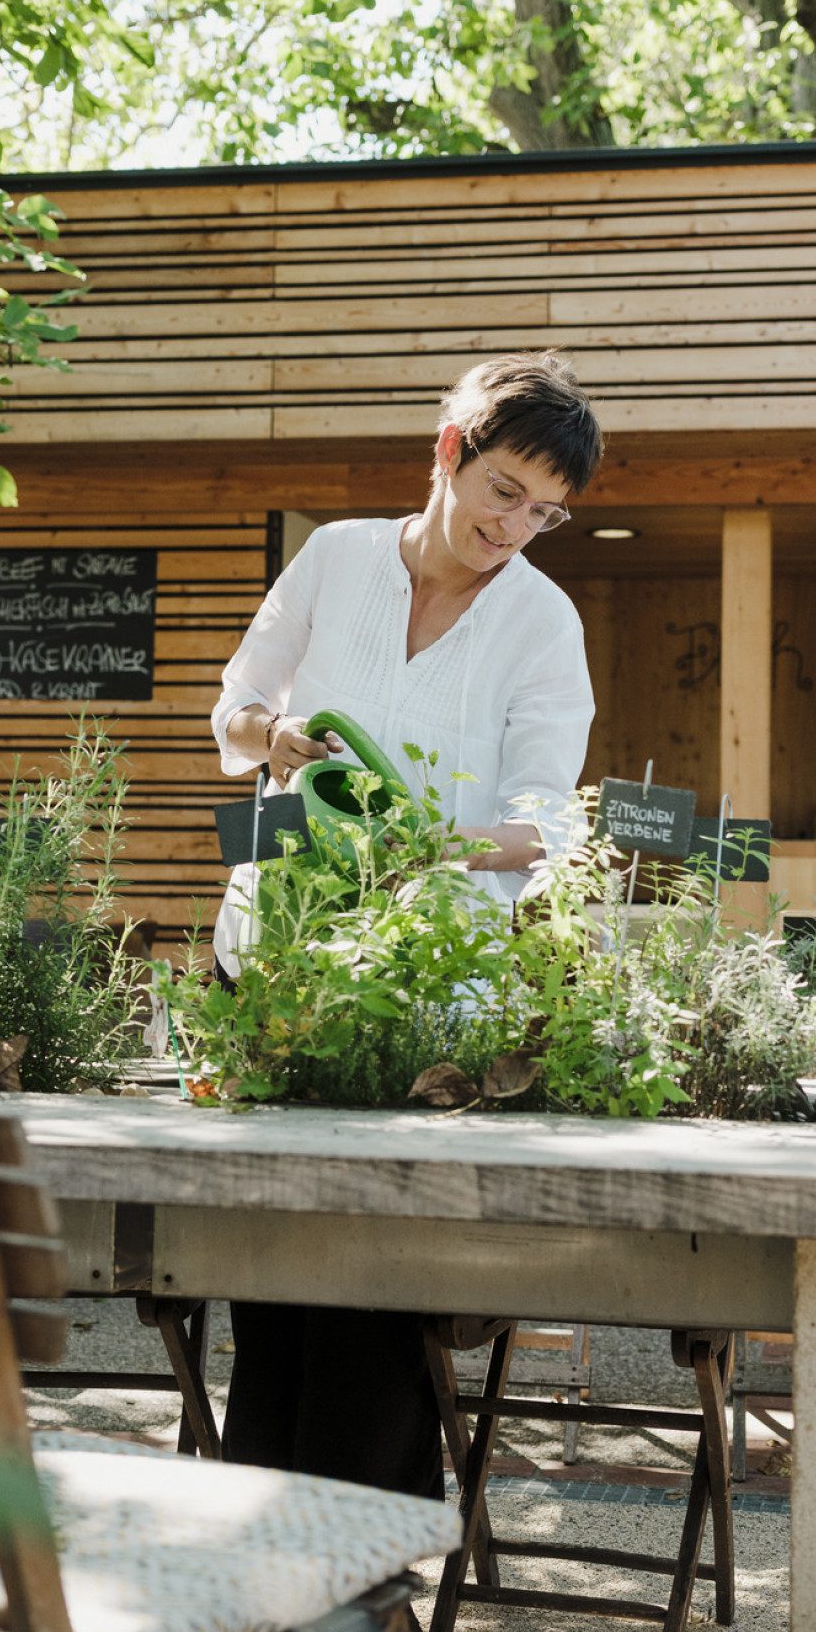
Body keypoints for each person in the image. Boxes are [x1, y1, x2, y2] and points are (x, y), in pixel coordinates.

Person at [207, 350, 602, 1501]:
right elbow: (234, 705)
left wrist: (434, 850)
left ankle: (360, 1572)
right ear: (450, 452)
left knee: (378, 1282)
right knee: (272, 1273)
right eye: (503, 492)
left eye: (545, 512)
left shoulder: (542, 620)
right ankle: (251, 1548)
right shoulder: (332, 557)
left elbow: (549, 821)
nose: (517, 524)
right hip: (275, 960)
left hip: (420, 985)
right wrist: (273, 737)